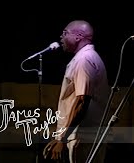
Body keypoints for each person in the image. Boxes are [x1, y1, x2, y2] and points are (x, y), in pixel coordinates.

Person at [43, 20, 109, 163]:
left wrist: (62, 139)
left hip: (82, 135)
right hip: (81, 134)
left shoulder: (84, 60)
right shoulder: (84, 58)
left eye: (65, 33)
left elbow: (82, 100)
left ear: (78, 36)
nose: (61, 37)